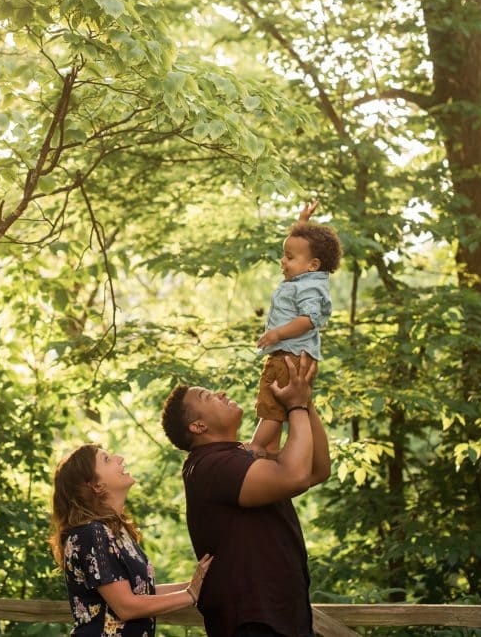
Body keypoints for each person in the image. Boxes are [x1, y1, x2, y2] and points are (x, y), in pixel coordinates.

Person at [161, 354, 331, 637]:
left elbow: (316, 468)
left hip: (282, 618)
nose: (221, 393)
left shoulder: (237, 456)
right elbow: (296, 476)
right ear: (198, 426)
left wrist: (303, 400)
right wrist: (296, 404)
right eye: (207, 395)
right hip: (253, 622)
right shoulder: (209, 466)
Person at [50, 443, 214, 637]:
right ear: (96, 485)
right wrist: (189, 594)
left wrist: (197, 585)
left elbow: (143, 594)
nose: (119, 458)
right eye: (107, 459)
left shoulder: (112, 532)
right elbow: (126, 606)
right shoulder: (90, 533)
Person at [250, 200, 341, 455]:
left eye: (289, 257)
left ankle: (256, 446)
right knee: (274, 404)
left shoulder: (309, 286)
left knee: (272, 404)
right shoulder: (306, 276)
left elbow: (309, 319)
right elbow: (301, 246)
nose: (282, 261)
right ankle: (268, 449)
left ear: (313, 265)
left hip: (291, 356)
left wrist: (277, 333)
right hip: (291, 355)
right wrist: (302, 221)